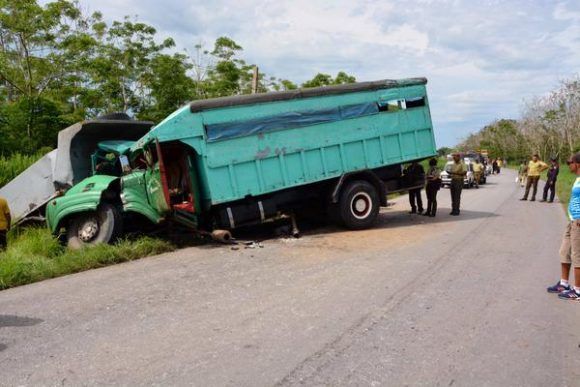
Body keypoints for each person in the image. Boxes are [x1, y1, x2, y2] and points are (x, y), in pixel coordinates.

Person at [547, 152, 580, 299]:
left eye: (569, 162)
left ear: (577, 163)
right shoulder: (577, 179)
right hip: (572, 220)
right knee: (564, 251)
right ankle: (564, 283)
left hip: (578, 222)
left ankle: (578, 290)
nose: (568, 165)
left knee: (577, 255)